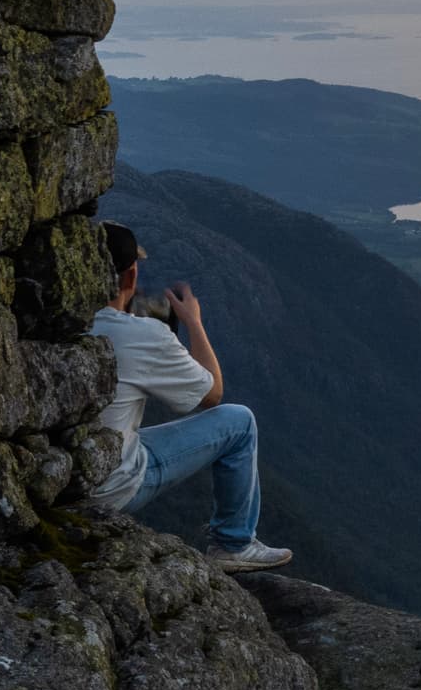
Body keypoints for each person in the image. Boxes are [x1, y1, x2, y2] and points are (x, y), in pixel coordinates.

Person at [87, 221, 292, 573]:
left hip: (62, 475)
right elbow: (211, 395)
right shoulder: (142, 335)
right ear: (131, 276)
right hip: (109, 485)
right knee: (239, 422)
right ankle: (233, 544)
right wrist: (193, 322)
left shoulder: (53, 319)